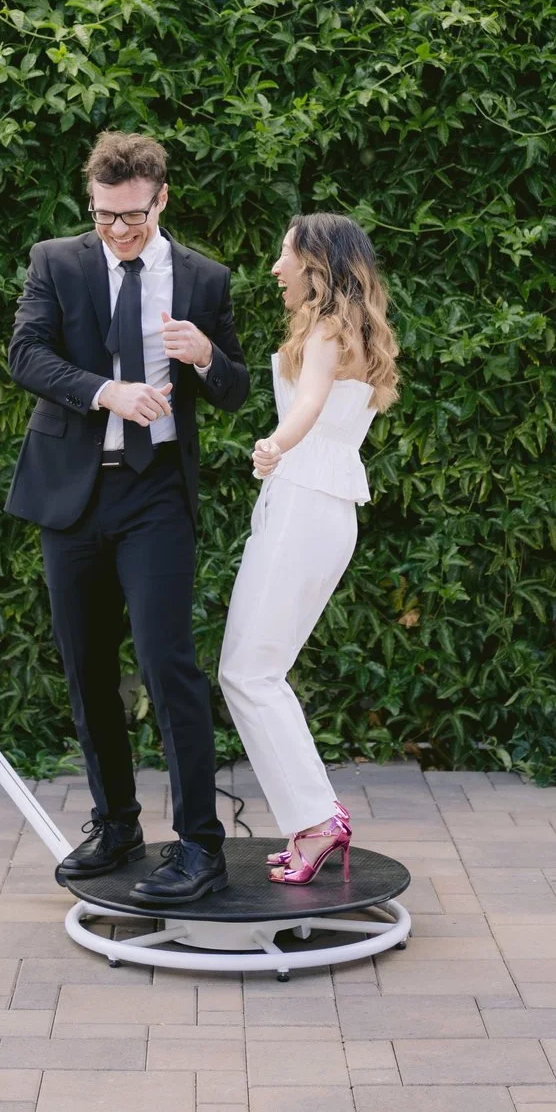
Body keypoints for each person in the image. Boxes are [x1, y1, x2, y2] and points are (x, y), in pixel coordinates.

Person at [5, 131, 250, 904]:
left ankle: (201, 845)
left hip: (155, 494)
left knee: (167, 663)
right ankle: (116, 825)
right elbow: (25, 355)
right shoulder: (57, 261)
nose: (118, 230)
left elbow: (236, 388)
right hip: (73, 494)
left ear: (162, 198)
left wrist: (205, 354)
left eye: (133, 217)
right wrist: (106, 391)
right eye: (104, 215)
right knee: (86, 666)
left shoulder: (203, 277)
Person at [218, 213, 398, 885]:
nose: (275, 268)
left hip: (304, 500)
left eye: (285, 255)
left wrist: (275, 443)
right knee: (254, 671)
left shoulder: (326, 329)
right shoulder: (350, 330)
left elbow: (312, 404)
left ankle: (318, 820)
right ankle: (313, 818)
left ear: (316, 263)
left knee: (249, 672)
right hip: (321, 505)